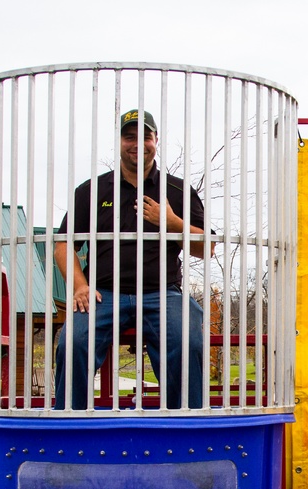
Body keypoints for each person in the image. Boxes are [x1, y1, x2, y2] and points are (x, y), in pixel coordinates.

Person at [53, 109, 210, 410]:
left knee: (188, 344)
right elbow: (63, 244)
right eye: (129, 137)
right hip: (103, 293)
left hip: (162, 292)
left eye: (146, 136)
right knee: (73, 343)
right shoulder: (92, 190)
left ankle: (188, 425)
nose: (138, 143)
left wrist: (171, 221)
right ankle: (69, 422)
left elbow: (207, 248)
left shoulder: (177, 190)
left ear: (156, 141)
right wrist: (79, 286)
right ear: (120, 142)